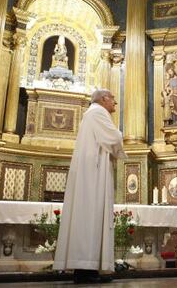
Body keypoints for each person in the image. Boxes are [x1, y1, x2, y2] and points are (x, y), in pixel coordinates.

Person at [53, 89, 127, 283]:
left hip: (91, 169)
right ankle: (85, 270)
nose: (115, 103)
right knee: (91, 216)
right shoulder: (97, 113)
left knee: (88, 217)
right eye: (113, 99)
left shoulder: (91, 113)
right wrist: (120, 135)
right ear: (103, 99)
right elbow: (113, 137)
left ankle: (89, 269)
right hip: (93, 172)